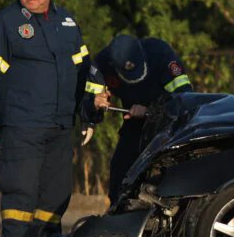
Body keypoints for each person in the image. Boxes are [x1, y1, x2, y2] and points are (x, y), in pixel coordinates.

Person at [0, 0, 90, 237]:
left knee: (56, 198)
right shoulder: (5, 23)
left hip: (60, 127)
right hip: (22, 125)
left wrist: (88, 116)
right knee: (20, 197)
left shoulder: (68, 24)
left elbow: (84, 74)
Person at [80, 35, 194, 201]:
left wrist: (152, 110)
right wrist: (92, 112)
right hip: (133, 122)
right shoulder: (102, 63)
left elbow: (185, 100)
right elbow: (90, 97)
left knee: (167, 177)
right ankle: (118, 214)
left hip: (168, 125)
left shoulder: (160, 53)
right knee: (120, 172)